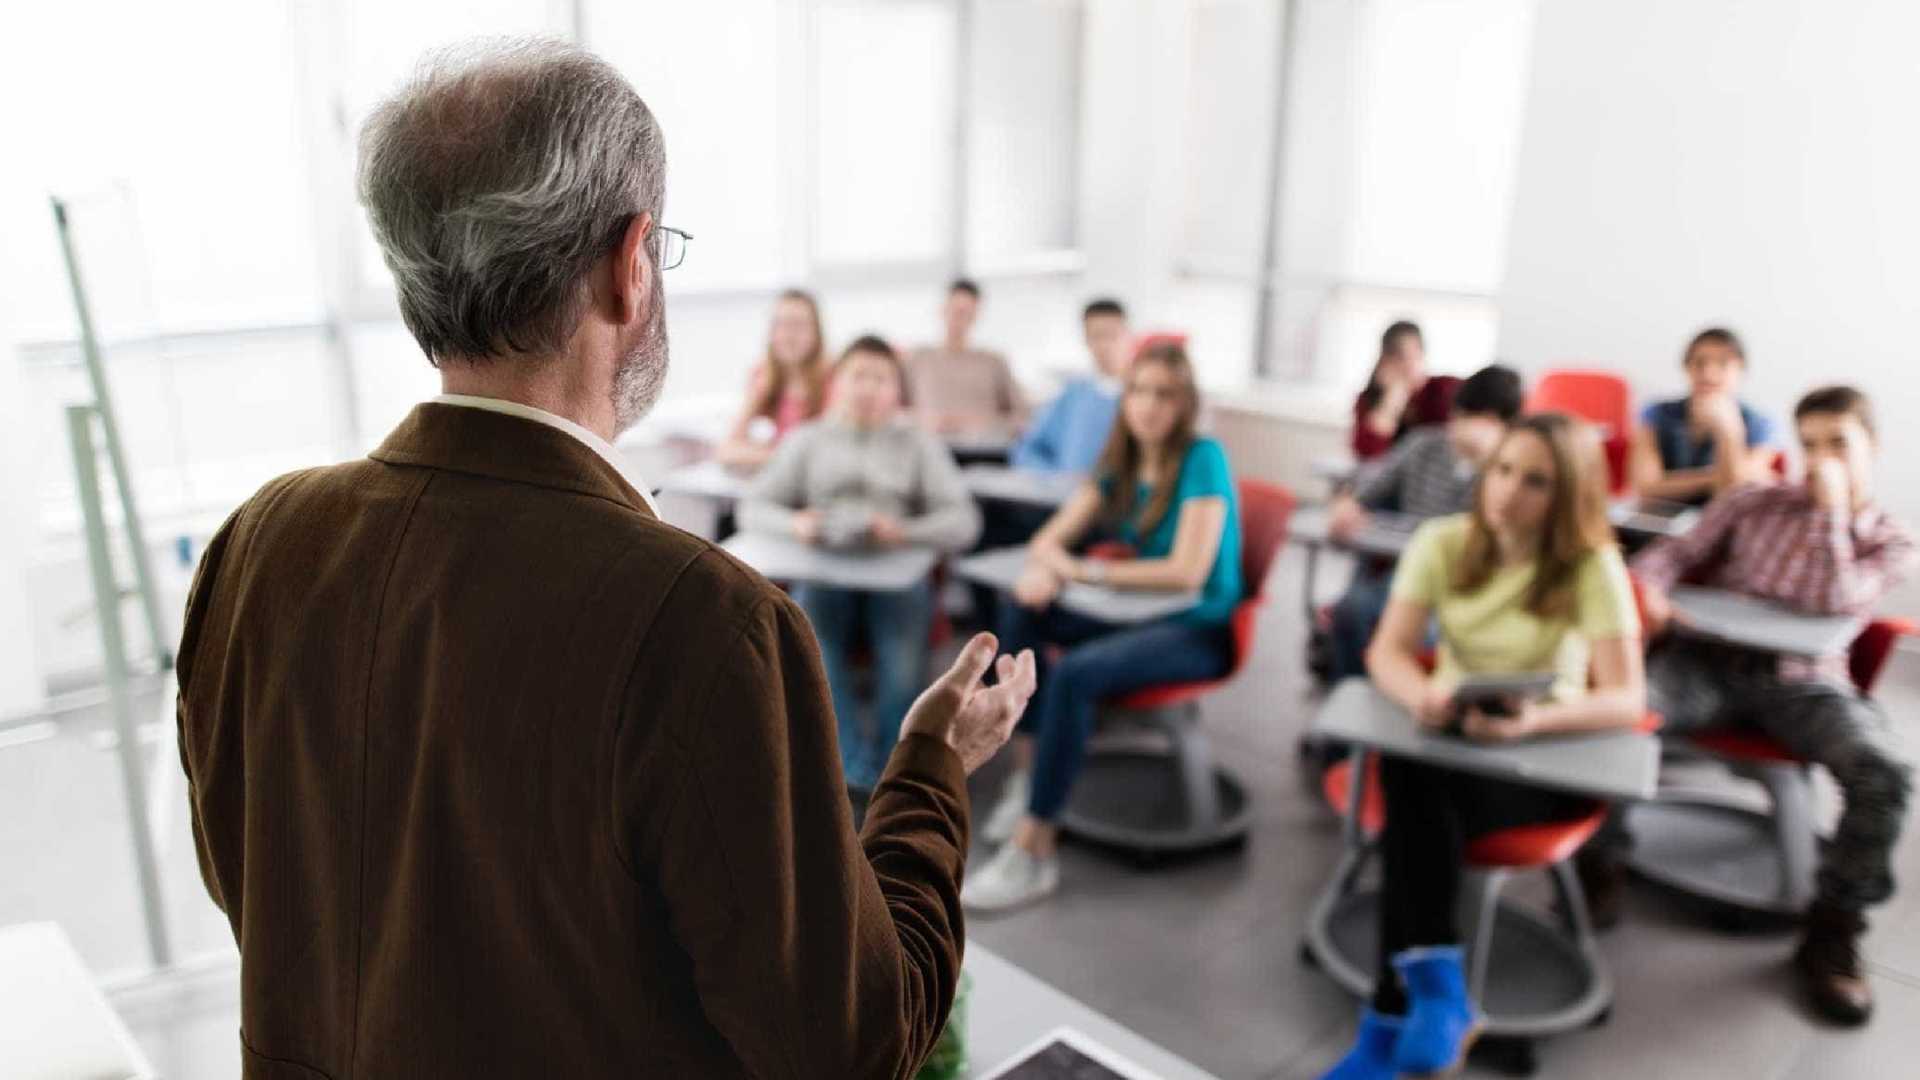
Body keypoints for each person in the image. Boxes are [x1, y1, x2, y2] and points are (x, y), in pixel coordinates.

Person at [173, 41, 1037, 1079]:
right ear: (631, 265)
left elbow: (259, 888)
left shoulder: (257, 544)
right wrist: (932, 769)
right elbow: (852, 1046)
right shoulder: (703, 623)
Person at [1323, 414, 1644, 1079]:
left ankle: (1388, 1024)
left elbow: (1625, 699)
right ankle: (1435, 997)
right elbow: (1386, 653)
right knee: (1418, 772)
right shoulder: (1443, 541)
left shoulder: (1591, 564)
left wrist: (1527, 723)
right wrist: (1423, 697)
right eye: (1501, 470)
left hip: (1542, 758)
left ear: (1567, 496)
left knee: (1413, 797)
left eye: (1535, 482)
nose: (1507, 492)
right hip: (1453, 737)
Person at [1627, 386, 1914, 1027]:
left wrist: (1832, 511)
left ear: (1872, 448)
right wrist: (1651, 591)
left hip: (1803, 683)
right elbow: (1672, 552)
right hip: (1707, 665)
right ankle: (1600, 869)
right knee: (1619, 717)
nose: (1819, 459)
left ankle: (1833, 933)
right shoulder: (1752, 501)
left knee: (1884, 771)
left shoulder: (1889, 538)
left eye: (1837, 443)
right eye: (1808, 444)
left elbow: (1837, 600)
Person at [962, 341, 1243, 912]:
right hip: (1130, 614)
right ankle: (1027, 773)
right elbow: (1048, 538)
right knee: (1022, 604)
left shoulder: (1203, 457)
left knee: (1076, 675)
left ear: (1184, 403)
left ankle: (1034, 847)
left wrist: (1083, 570)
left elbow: (1187, 571)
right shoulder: (1121, 459)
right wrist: (1047, 569)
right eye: (1139, 391)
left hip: (1198, 630)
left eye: (1164, 394)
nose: (1149, 406)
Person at [740, 336, 983, 792]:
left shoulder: (917, 443)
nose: (869, 388)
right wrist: (798, 523)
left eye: (881, 379)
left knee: (900, 668)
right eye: (859, 376)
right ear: (838, 382)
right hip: (823, 569)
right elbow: (753, 507)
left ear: (897, 389)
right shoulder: (807, 439)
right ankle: (850, 765)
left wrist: (905, 531)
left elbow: (963, 521)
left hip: (896, 573)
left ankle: (901, 767)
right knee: (810, 647)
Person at [1324, 364, 1525, 682]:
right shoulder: (1423, 444)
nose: (1466, 428)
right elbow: (1365, 493)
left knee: (1430, 636)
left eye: (1485, 421)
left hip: (1463, 586)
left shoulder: (1512, 470)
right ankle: (1352, 697)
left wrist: (1490, 464)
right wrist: (1348, 506)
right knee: (1352, 610)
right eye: (1464, 415)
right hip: (1402, 572)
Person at [1628, 327, 1779, 504]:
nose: (1709, 374)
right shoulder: (1656, 413)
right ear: (1686, 367)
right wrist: (1719, 475)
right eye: (1699, 363)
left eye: (1723, 364)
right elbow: (1646, 487)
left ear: (1741, 369)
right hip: (1665, 517)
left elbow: (1735, 491)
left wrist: (1728, 428)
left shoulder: (1761, 423)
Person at [1009, 298, 1132, 474]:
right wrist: (1054, 479)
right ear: (1086, 340)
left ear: (1128, 335)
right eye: (1096, 336)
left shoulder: (1143, 395)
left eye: (1112, 335)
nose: (1105, 345)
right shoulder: (1073, 395)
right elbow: (1027, 450)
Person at [714, 288, 829, 469]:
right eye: (780, 325)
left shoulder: (835, 379)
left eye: (798, 325)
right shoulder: (763, 376)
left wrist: (768, 454)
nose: (788, 335)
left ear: (816, 332)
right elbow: (727, 450)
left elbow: (828, 455)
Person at [904, 278, 1026, 438]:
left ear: (976, 316)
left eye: (966, 313)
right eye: (955, 311)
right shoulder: (918, 359)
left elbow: (1023, 416)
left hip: (982, 450)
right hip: (928, 447)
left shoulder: (993, 362)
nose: (958, 320)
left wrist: (981, 423)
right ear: (942, 309)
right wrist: (925, 420)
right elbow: (892, 412)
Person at [1351, 320, 1456, 460]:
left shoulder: (1445, 389)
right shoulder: (1370, 398)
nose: (1406, 365)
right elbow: (1368, 455)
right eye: (1396, 358)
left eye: (1411, 356)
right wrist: (1391, 401)